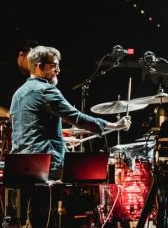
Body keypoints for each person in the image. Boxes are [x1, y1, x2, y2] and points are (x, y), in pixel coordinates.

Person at [9, 45, 131, 179]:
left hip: (19, 165)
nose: (58, 70)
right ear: (40, 67)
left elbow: (29, 131)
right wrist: (115, 125)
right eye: (54, 66)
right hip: (46, 165)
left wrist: (62, 140)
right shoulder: (45, 90)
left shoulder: (18, 93)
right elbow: (77, 118)